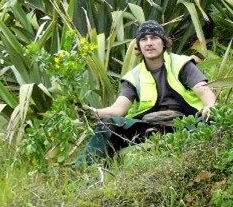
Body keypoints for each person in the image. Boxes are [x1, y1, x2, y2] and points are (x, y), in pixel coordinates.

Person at [79, 20, 217, 165]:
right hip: (148, 128)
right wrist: (92, 113)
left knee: (211, 119)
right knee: (107, 125)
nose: (149, 43)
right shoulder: (133, 76)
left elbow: (204, 91)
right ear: (139, 46)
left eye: (154, 38)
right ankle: (85, 170)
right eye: (144, 39)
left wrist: (210, 106)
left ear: (164, 42)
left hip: (185, 122)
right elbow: (118, 110)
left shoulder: (181, 64)